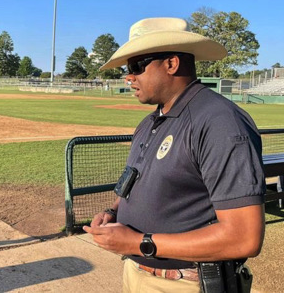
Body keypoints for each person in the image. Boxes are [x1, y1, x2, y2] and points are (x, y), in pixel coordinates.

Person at [83, 17, 266, 293]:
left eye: (136, 66)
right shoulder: (151, 122)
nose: (128, 76)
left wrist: (138, 242)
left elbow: (244, 238)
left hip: (184, 282)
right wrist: (113, 213)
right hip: (136, 273)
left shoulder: (219, 121)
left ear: (171, 64)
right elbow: (135, 186)